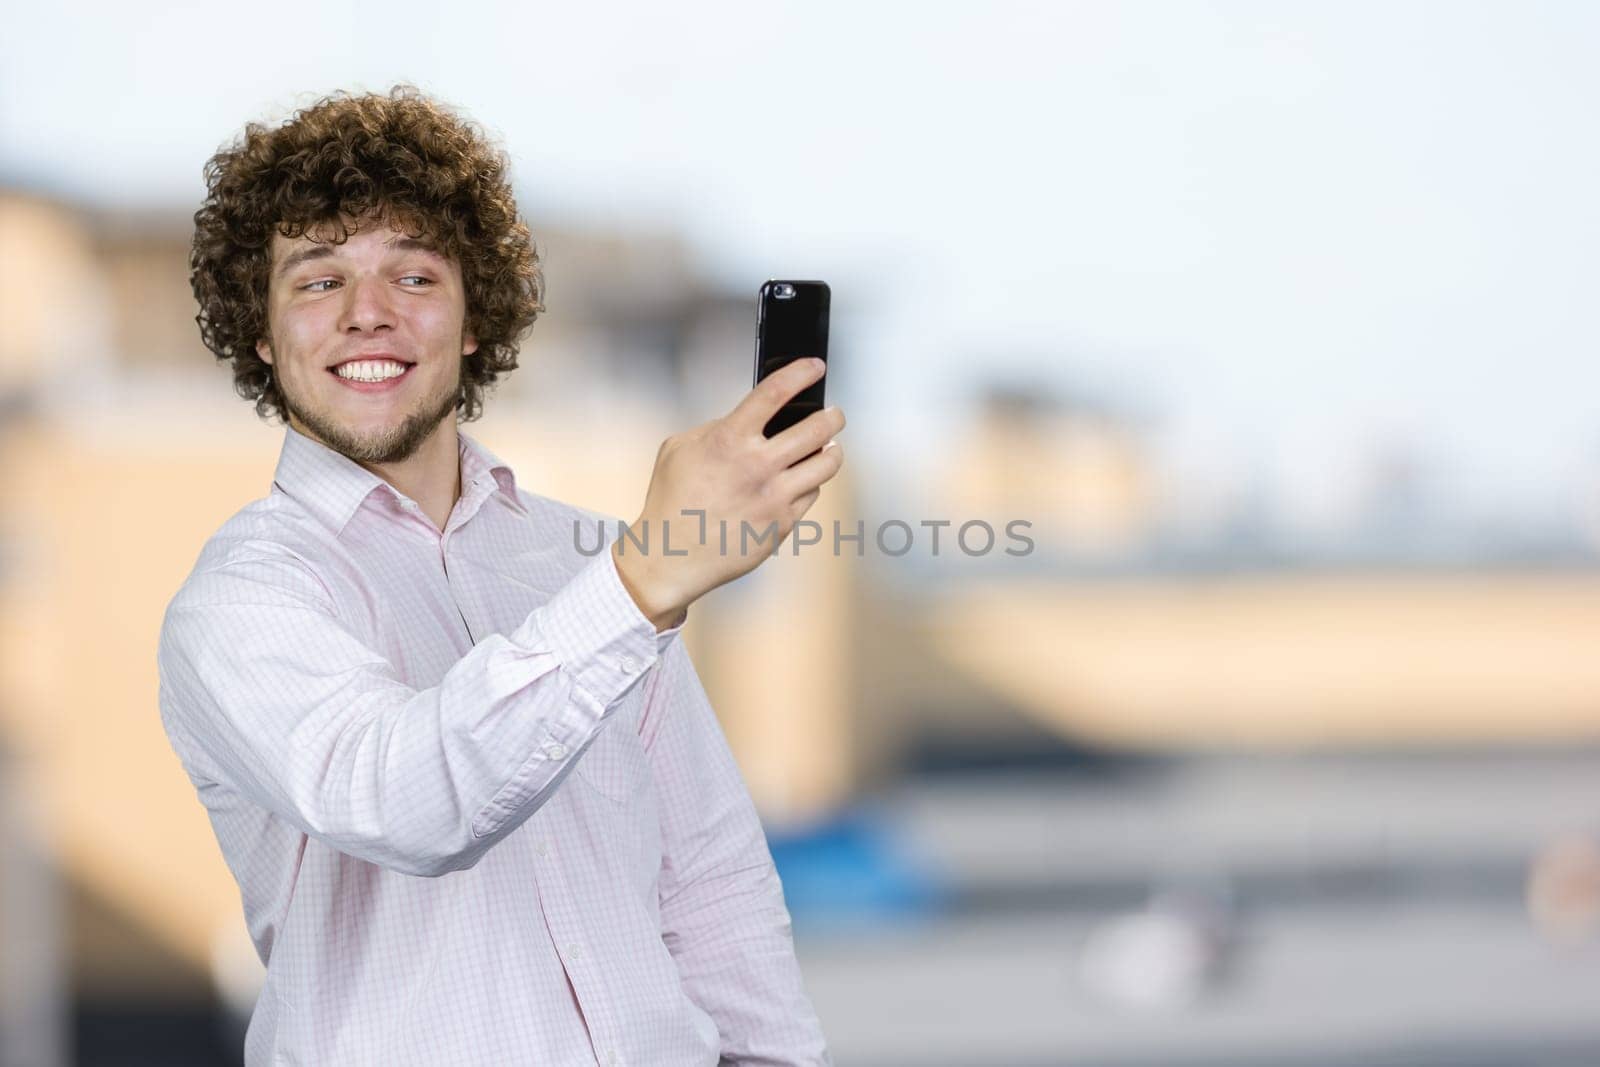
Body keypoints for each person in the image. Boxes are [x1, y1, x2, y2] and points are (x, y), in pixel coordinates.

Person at [157, 86, 844, 1066]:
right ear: (261, 336)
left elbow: (710, 877)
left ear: (476, 319)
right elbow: (404, 800)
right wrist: (644, 574)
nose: (366, 314)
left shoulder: (589, 559)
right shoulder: (243, 598)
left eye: (415, 275)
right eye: (317, 281)